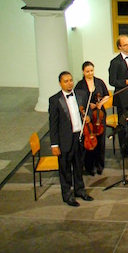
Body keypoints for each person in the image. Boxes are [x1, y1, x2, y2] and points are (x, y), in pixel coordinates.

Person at [49, 70, 93, 207]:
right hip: (65, 140)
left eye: (71, 80)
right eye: (66, 81)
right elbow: (53, 124)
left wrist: (88, 117)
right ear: (60, 83)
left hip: (79, 137)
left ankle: (80, 190)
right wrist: (54, 145)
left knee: (79, 166)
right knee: (65, 169)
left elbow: (88, 110)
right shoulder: (55, 100)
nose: (69, 83)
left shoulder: (81, 94)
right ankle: (67, 194)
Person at [75, 60, 111, 175]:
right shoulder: (80, 85)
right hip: (88, 116)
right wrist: (88, 105)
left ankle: (100, 165)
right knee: (89, 140)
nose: (90, 73)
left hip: (100, 115)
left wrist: (100, 103)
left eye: (91, 71)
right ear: (83, 72)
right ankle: (89, 166)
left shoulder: (99, 82)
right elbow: (78, 101)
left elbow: (107, 95)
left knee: (100, 141)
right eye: (87, 71)